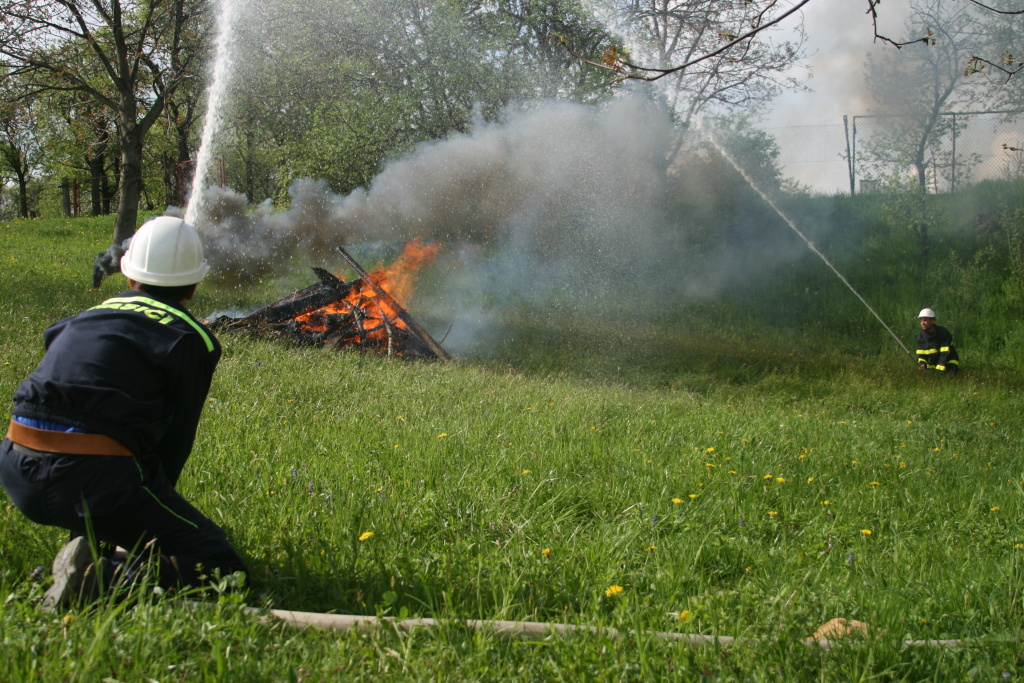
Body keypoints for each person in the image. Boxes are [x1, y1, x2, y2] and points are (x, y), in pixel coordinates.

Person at [1, 216, 247, 611]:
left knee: (96, 465)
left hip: (15, 466)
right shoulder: (191, 337)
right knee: (226, 570)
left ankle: (80, 558)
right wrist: (148, 522)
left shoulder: (81, 319)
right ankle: (105, 579)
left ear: (129, 276)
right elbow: (173, 444)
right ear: (194, 286)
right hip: (92, 481)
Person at [916, 308, 960, 373]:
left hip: (948, 360)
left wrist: (940, 367)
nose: (922, 323)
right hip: (934, 362)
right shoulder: (921, 336)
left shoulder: (942, 333)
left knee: (950, 373)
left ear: (932, 321)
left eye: (925, 320)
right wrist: (922, 364)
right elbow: (921, 354)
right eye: (921, 321)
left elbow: (945, 353)